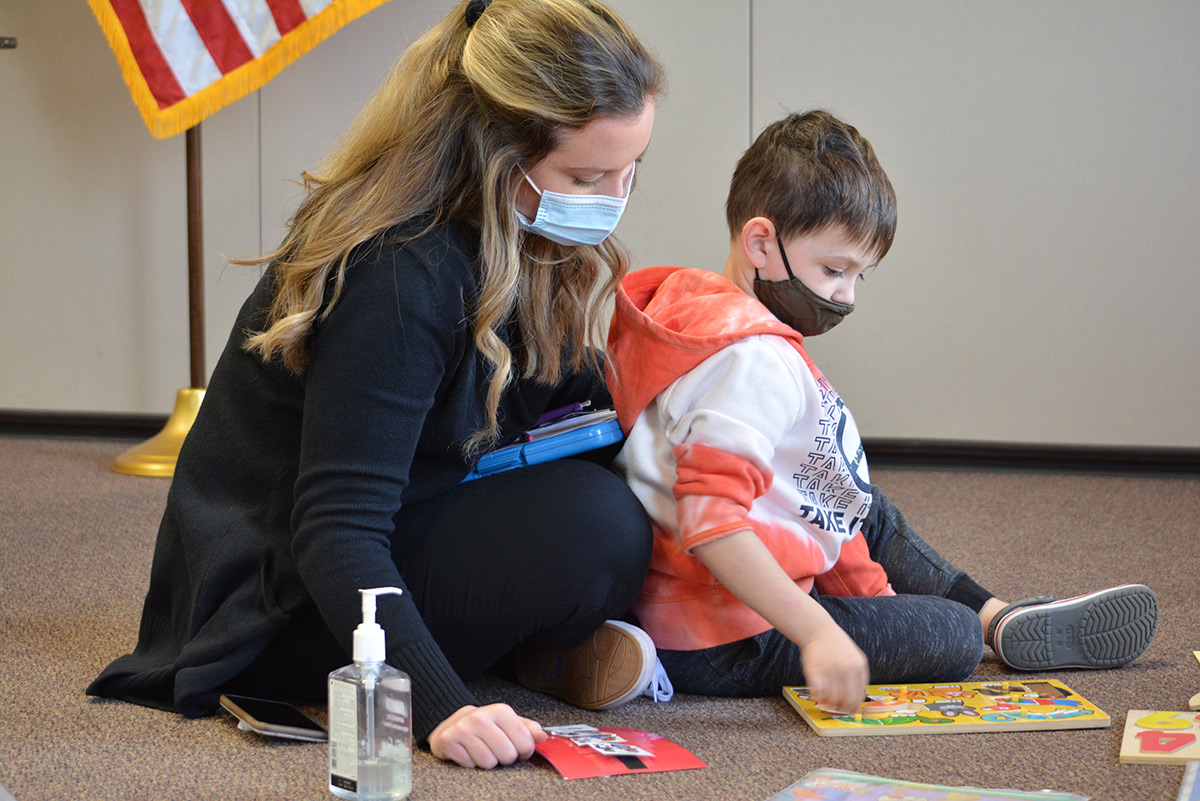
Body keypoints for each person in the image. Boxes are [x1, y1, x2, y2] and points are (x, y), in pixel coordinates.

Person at [87, 0, 668, 770]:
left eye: (630, 171)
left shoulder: (505, 225)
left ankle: (549, 652)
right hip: (279, 609)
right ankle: (527, 655)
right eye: (587, 176)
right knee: (599, 530)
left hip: (395, 523)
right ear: (494, 150)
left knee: (641, 467)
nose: (611, 199)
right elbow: (336, 528)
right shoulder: (400, 271)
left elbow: (539, 387)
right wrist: (438, 706)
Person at [604, 110, 1158, 713]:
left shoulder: (695, 308)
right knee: (949, 635)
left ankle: (1001, 616)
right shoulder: (754, 361)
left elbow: (805, 499)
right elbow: (713, 523)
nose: (845, 294)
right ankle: (984, 624)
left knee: (860, 504)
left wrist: (874, 597)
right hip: (727, 632)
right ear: (761, 243)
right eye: (834, 270)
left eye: (858, 276)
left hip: (687, 599)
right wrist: (819, 633)